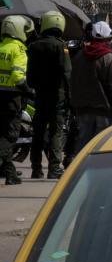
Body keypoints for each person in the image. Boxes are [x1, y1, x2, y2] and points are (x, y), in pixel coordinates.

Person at [69, 21, 112, 155]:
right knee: (102, 148)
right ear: (108, 38)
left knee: (83, 146)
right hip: (104, 111)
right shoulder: (110, 59)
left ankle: (80, 172)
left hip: (82, 109)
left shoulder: (79, 56)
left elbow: (73, 82)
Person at [26, 11, 71, 179]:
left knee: (37, 132)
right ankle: (54, 168)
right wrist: (70, 97)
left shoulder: (34, 46)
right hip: (57, 96)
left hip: (39, 96)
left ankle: (36, 168)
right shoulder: (61, 46)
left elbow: (29, 75)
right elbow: (67, 73)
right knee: (55, 131)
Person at [0, 16, 32, 185]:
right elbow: (18, 78)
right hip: (11, 98)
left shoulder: (1, 46)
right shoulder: (18, 49)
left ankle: (10, 174)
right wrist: (30, 91)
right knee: (10, 136)